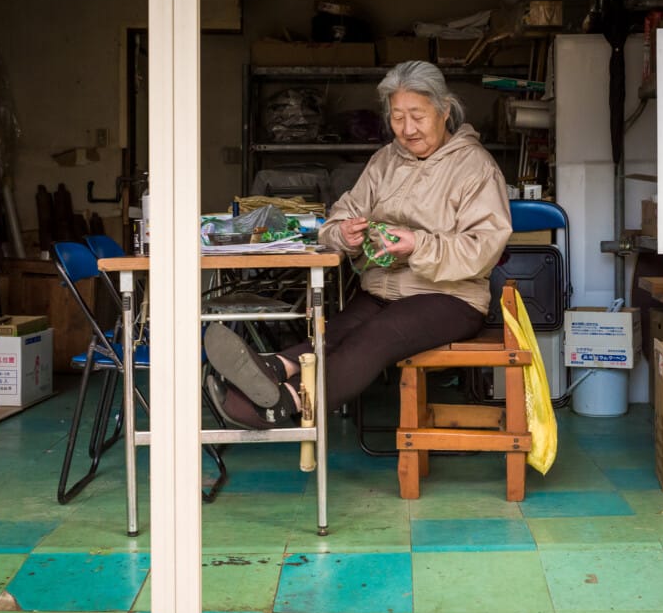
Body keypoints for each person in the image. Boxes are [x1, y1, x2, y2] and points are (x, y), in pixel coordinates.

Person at [204, 60, 513, 428]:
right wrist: (343, 234)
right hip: (383, 291)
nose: (407, 129)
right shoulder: (385, 161)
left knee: (373, 336)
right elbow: (337, 217)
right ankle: (271, 368)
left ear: (444, 110)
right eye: (397, 117)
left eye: (417, 116)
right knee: (335, 332)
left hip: (451, 298)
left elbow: (484, 247)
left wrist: (418, 244)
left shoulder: (475, 167)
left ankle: (282, 405)